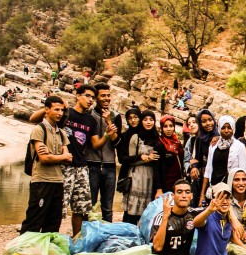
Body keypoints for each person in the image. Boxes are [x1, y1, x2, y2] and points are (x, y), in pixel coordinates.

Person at [29, 85, 103, 237]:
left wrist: (107, 135)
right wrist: (54, 106)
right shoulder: (65, 113)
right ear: (77, 96)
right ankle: (47, 237)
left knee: (81, 208)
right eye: (87, 96)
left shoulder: (90, 120)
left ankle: (76, 241)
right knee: (57, 208)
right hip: (62, 167)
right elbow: (33, 119)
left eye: (93, 98)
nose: (90, 100)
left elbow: (94, 144)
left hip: (81, 167)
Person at [20, 96, 71, 233]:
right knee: (34, 220)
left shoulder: (61, 132)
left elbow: (69, 158)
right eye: (56, 109)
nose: (60, 113)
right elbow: (44, 158)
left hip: (58, 181)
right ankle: (24, 251)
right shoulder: (39, 129)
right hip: (41, 180)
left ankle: (47, 251)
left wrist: (55, 156)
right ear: (46, 110)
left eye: (62, 110)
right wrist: (61, 156)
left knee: (54, 221)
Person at [149, 180, 202, 255]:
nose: (183, 195)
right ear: (173, 196)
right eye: (179, 192)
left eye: (187, 192)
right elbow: (157, 247)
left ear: (191, 196)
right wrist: (165, 217)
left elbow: (217, 208)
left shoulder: (193, 214)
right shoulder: (161, 216)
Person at [121, 111, 163, 225]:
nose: (148, 122)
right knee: (132, 210)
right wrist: (143, 157)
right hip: (136, 176)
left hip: (151, 177)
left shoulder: (158, 139)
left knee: (146, 210)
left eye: (151, 119)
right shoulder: (136, 137)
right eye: (145, 119)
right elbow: (127, 160)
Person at [88, 83, 122, 223]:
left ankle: (107, 237)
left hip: (109, 165)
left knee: (107, 206)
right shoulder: (89, 115)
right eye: (103, 95)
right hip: (92, 164)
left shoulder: (116, 116)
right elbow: (92, 144)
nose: (107, 98)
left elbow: (118, 143)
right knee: (90, 204)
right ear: (96, 97)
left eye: (108, 95)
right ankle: (88, 235)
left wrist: (108, 121)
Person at [202, 115, 246, 204]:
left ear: (233, 129)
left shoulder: (240, 146)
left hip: (231, 190)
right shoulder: (213, 145)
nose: (226, 130)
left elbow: (243, 171)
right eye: (223, 128)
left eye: (229, 127)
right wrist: (202, 195)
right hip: (215, 190)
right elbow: (208, 170)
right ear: (219, 129)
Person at [189, 109, 219, 204]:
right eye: (204, 121)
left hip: (220, 177)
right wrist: (194, 167)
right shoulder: (200, 139)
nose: (208, 123)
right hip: (206, 178)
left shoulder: (221, 137)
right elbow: (197, 158)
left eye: (210, 120)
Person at [157, 115, 186, 195]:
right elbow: (157, 169)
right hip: (165, 184)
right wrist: (159, 189)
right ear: (162, 128)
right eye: (165, 126)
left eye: (171, 126)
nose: (169, 129)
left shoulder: (177, 142)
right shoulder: (160, 144)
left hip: (178, 182)